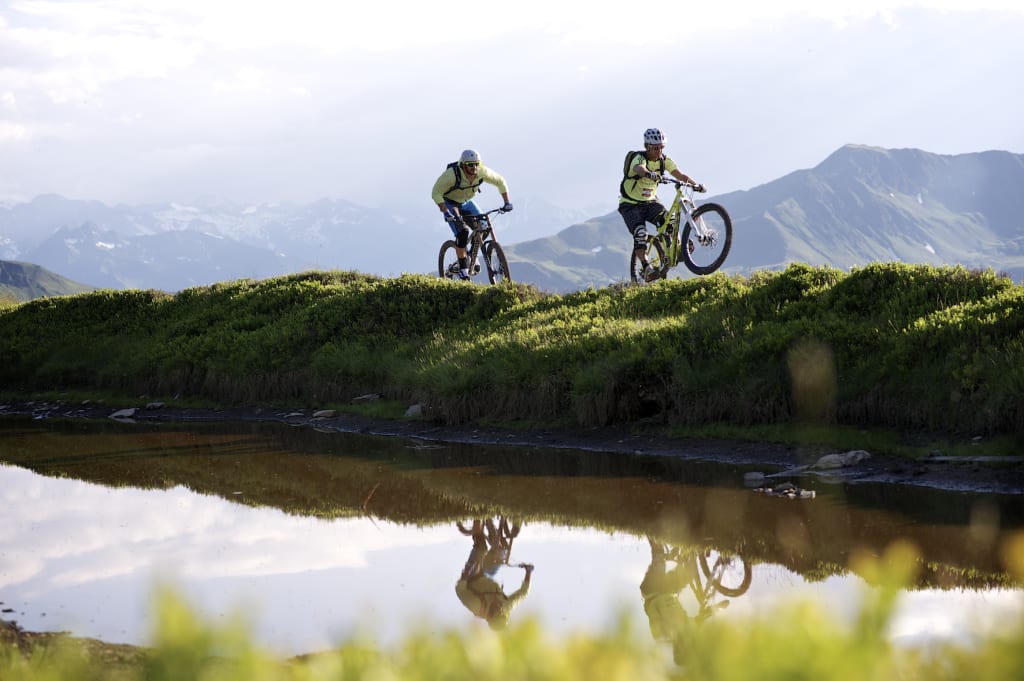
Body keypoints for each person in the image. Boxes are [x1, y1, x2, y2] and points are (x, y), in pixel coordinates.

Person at [618, 128, 705, 280]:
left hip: (650, 202)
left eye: (661, 147)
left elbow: (680, 175)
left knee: (669, 223)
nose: (659, 150)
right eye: (655, 148)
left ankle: (675, 251)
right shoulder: (639, 157)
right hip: (630, 205)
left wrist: (696, 185)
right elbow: (639, 168)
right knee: (640, 233)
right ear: (647, 147)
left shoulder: (664, 161)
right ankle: (646, 267)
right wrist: (648, 173)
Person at [431, 149, 513, 280]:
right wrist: (445, 212)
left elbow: (500, 181)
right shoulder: (451, 175)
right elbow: (435, 192)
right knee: (462, 233)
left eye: (476, 164)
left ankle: (471, 255)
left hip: (467, 202)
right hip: (450, 204)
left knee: (484, 226)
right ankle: (463, 268)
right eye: (470, 164)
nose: (474, 167)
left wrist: (507, 202)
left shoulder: (482, 172)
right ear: (463, 165)